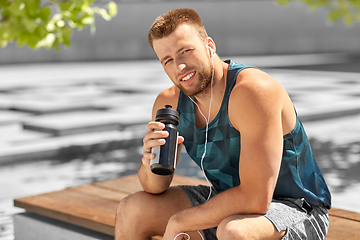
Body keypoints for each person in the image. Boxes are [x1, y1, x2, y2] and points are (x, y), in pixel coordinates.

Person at [115, 8, 331, 240]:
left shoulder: (252, 91)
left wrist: (180, 221)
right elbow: (155, 187)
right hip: (225, 199)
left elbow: (255, 199)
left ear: (209, 45)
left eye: (185, 51)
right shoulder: (169, 103)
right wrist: (149, 160)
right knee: (133, 210)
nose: (179, 67)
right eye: (167, 60)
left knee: (233, 231)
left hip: (295, 208)